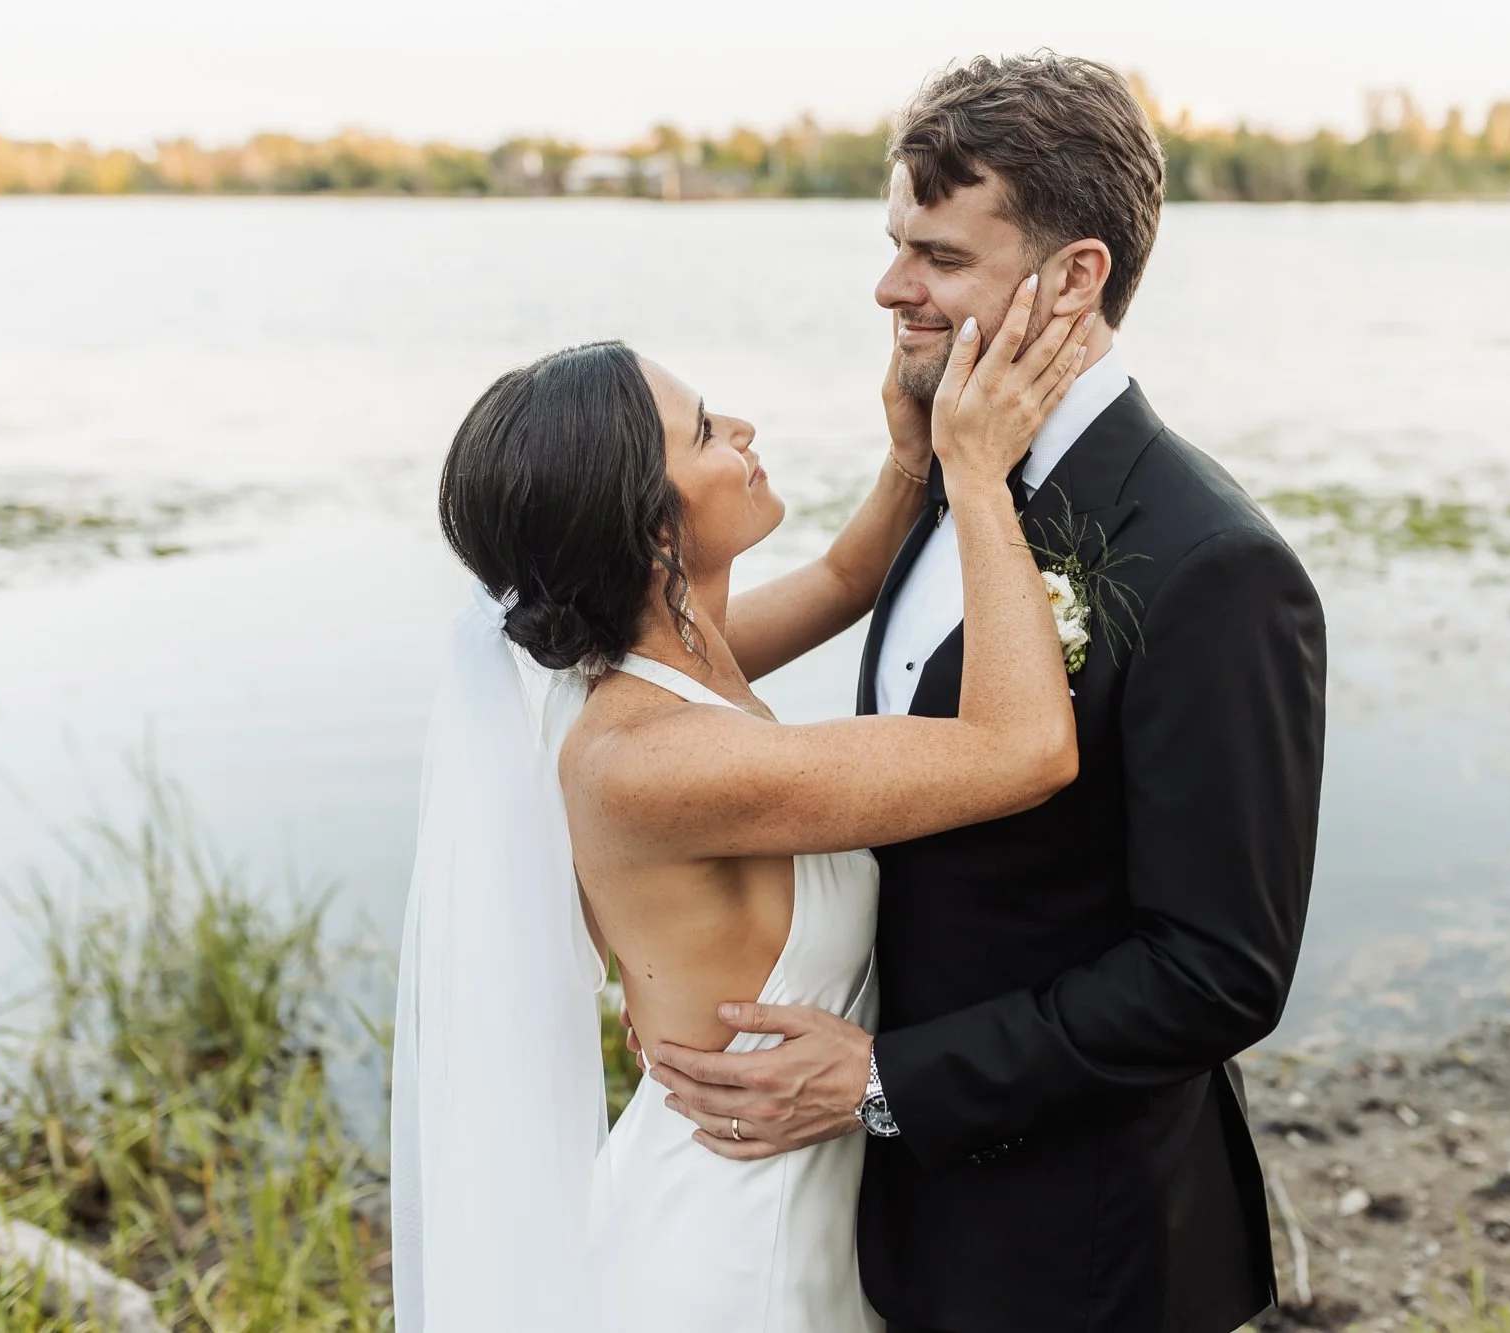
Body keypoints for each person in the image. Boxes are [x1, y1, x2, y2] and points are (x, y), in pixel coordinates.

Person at [647, 52, 1329, 1333]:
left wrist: (885, 1081)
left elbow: (1216, 973)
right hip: (896, 1205)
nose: (890, 286)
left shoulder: (1214, 569)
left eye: (941, 259)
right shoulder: (949, 461)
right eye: (897, 241)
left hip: (1078, 1243)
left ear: (1074, 277)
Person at [390, 282, 1094, 1332]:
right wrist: (980, 475)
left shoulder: (660, 668)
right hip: (731, 1250)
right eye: (707, 431)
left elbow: (850, 574)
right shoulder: (646, 760)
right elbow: (1022, 750)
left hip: (785, 1206)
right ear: (654, 528)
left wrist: (917, 453)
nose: (745, 429)